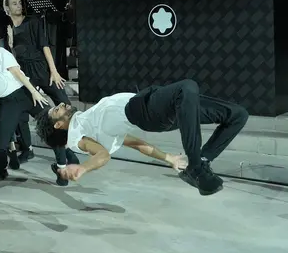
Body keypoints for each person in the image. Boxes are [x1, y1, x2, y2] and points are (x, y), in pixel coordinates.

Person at [35, 80, 249, 196]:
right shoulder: (77, 137)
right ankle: (196, 167)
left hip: (156, 110)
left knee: (238, 115)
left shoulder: (87, 122)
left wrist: (169, 158)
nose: (62, 104)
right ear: (58, 124)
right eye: (57, 110)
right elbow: (101, 155)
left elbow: (135, 143)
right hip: (144, 110)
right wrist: (82, 168)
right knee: (187, 87)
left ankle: (201, 160)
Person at [0, 26, 64, 182]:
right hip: (7, 103)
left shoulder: (1, 53)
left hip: (25, 94)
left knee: (52, 126)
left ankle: (62, 169)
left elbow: (17, 72)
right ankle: (2, 170)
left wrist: (34, 92)